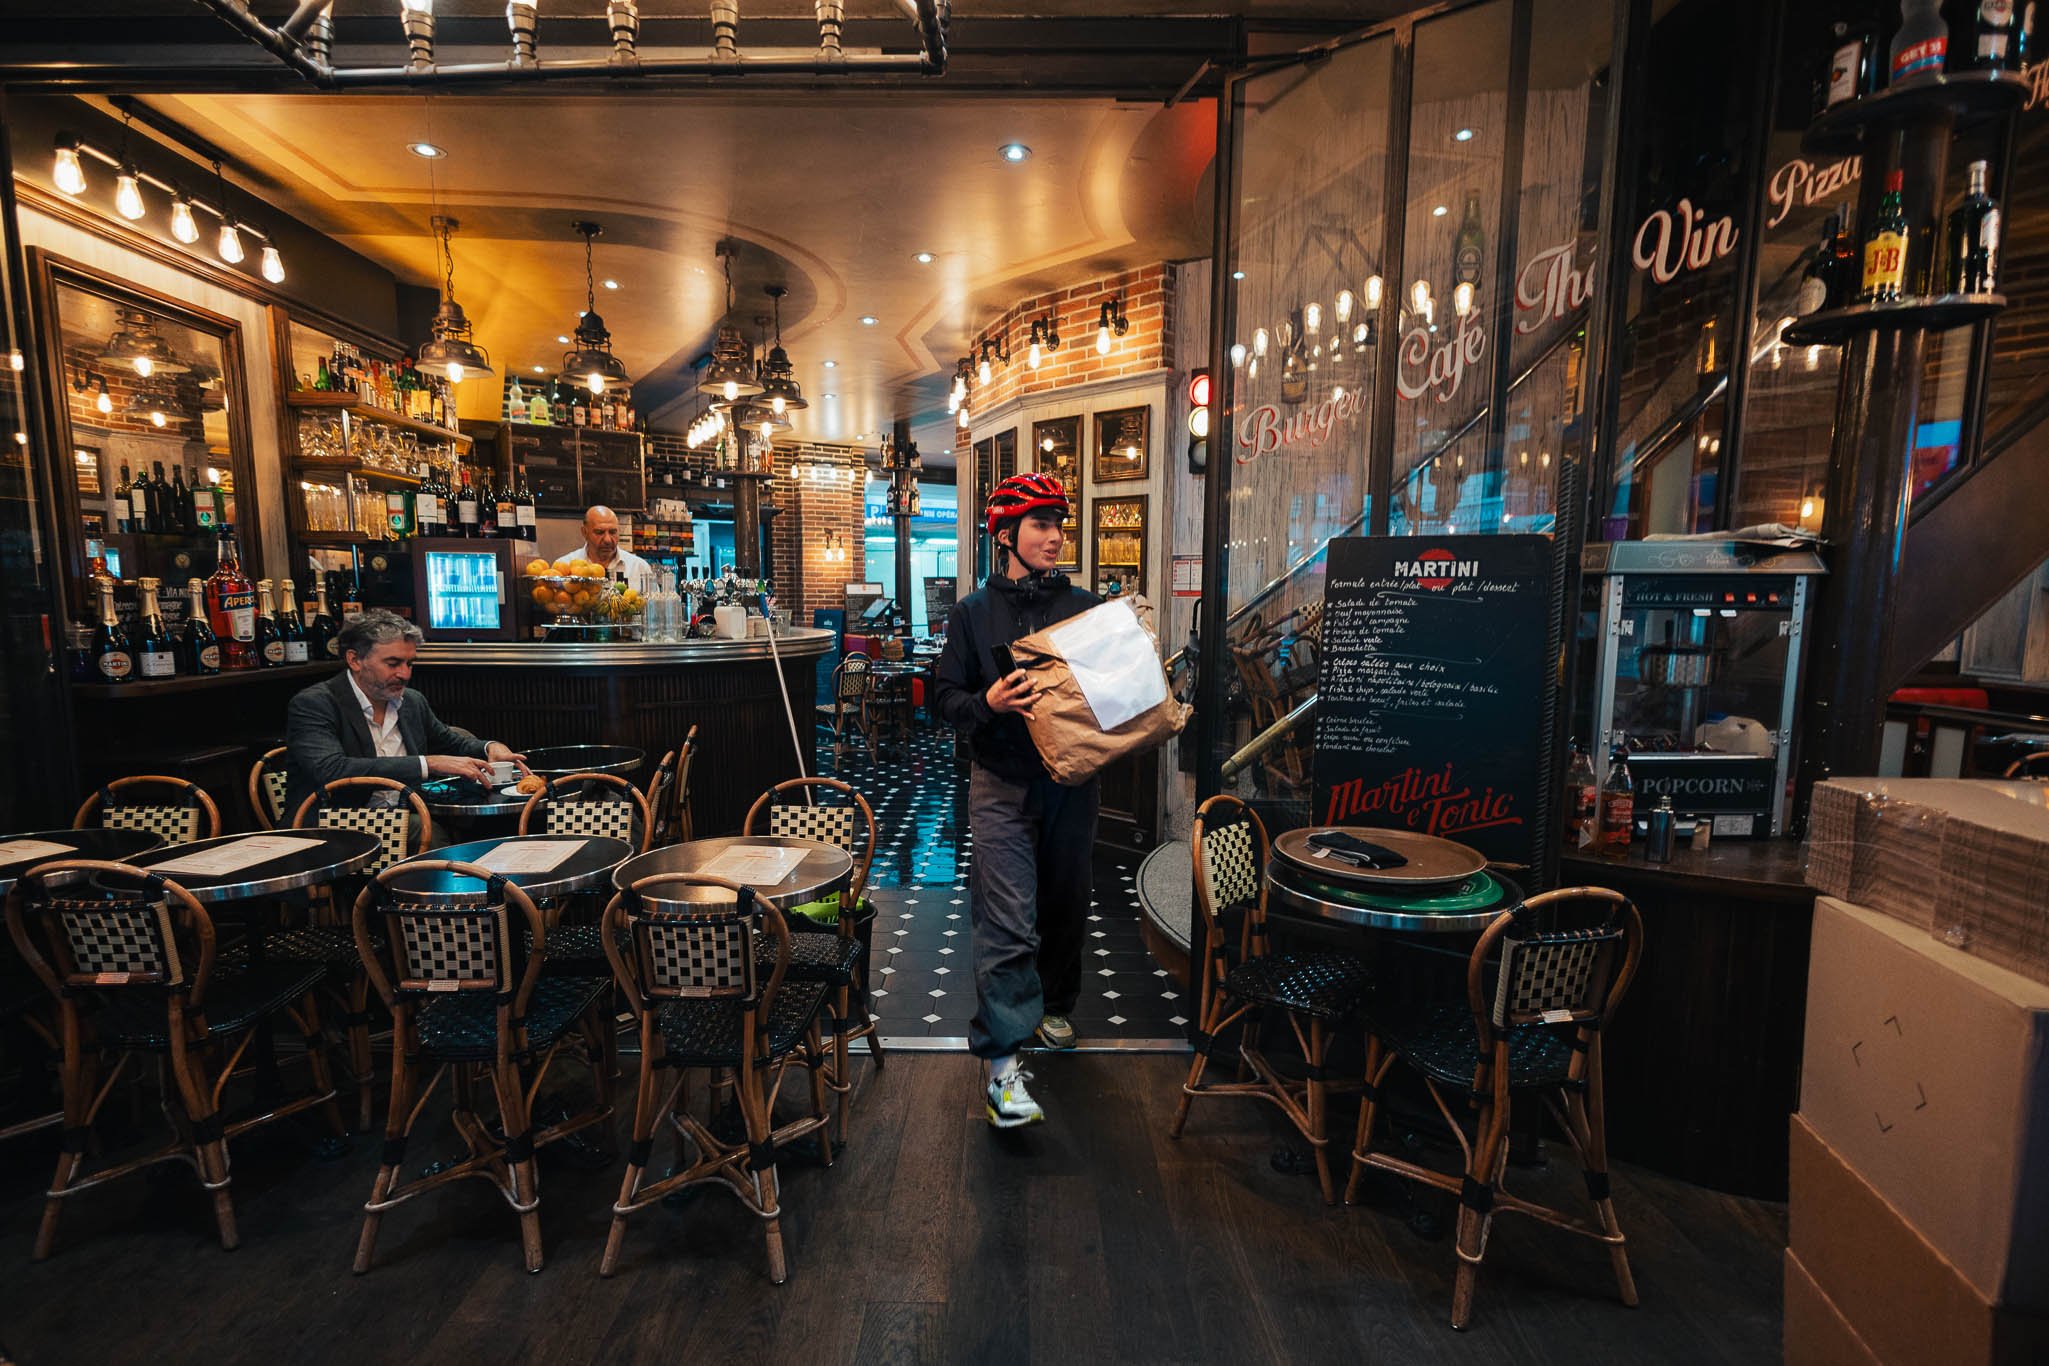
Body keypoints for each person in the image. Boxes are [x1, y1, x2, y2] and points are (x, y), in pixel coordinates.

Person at [931, 472, 1101, 1129]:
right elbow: (943, 696)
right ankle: (1002, 1068)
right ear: (1005, 534)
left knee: (1064, 899)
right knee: (1006, 916)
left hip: (1072, 781)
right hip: (999, 782)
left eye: (1060, 524)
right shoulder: (974, 613)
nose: (1055, 536)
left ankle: (1054, 1004)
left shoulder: (1083, 606)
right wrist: (987, 703)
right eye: (1040, 524)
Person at [283, 609, 524, 820]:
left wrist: (490, 747)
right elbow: (332, 769)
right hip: (336, 825)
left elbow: (453, 743)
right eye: (393, 663)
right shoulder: (314, 703)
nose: (405, 674)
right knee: (440, 836)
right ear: (355, 660)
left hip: (406, 815)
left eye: (409, 663)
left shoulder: (411, 701)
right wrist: (427, 764)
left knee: (494, 821)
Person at [574, 504, 655, 595]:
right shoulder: (566, 569)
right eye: (599, 532)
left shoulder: (640, 568)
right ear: (584, 532)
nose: (607, 540)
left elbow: (656, 607)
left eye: (613, 532)